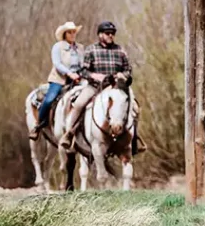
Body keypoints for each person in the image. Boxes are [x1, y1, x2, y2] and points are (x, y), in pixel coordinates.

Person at [58, 21, 136, 152]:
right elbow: (83, 71)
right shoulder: (91, 50)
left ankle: (134, 140)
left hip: (116, 87)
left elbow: (128, 69)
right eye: (107, 33)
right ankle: (69, 134)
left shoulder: (120, 50)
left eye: (113, 33)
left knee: (135, 108)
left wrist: (122, 75)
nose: (111, 36)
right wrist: (94, 76)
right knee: (78, 104)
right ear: (100, 35)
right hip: (95, 87)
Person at [31, 21, 83, 140]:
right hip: (59, 79)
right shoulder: (58, 47)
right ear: (65, 34)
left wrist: (80, 74)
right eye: (70, 32)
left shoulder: (80, 48)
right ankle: (38, 124)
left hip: (77, 79)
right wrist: (69, 73)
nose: (72, 34)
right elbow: (57, 63)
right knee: (50, 99)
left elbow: (83, 63)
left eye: (74, 32)